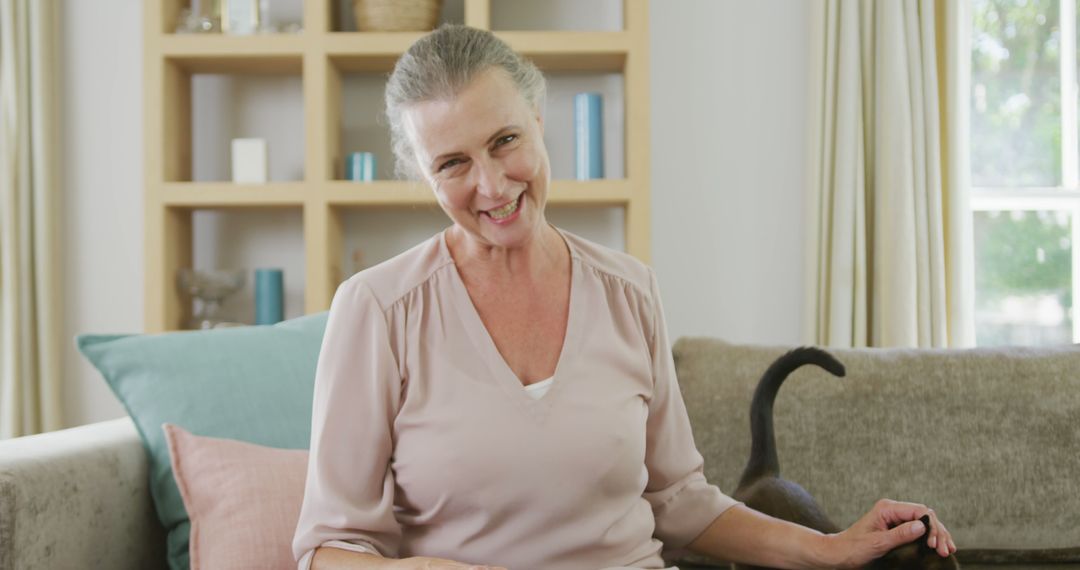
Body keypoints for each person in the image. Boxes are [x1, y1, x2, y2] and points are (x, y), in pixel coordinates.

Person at [291, 24, 956, 570]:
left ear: (538, 118)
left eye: (505, 141)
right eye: (453, 164)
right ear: (422, 176)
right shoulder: (378, 309)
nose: (492, 185)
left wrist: (834, 549)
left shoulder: (628, 290)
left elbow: (680, 501)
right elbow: (327, 548)